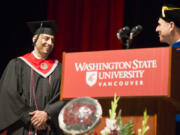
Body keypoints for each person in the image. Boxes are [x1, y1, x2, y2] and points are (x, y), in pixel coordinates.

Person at [0, 20, 64, 135]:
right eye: (46, 38)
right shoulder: (17, 65)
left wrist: (47, 113)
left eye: (52, 40)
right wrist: (31, 117)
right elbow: (8, 94)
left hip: (50, 128)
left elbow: (63, 96)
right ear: (34, 39)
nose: (50, 43)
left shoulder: (59, 68)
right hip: (22, 127)